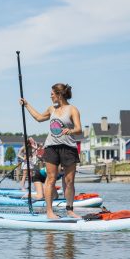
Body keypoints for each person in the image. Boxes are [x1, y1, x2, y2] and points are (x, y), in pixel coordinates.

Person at [20, 83, 82, 219]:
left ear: (59, 95)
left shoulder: (72, 110)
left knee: (69, 180)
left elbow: (79, 129)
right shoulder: (51, 109)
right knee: (51, 179)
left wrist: (70, 130)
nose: (50, 96)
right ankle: (49, 212)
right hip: (51, 147)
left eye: (52, 94)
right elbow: (39, 118)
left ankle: (70, 210)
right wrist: (26, 105)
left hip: (68, 148)